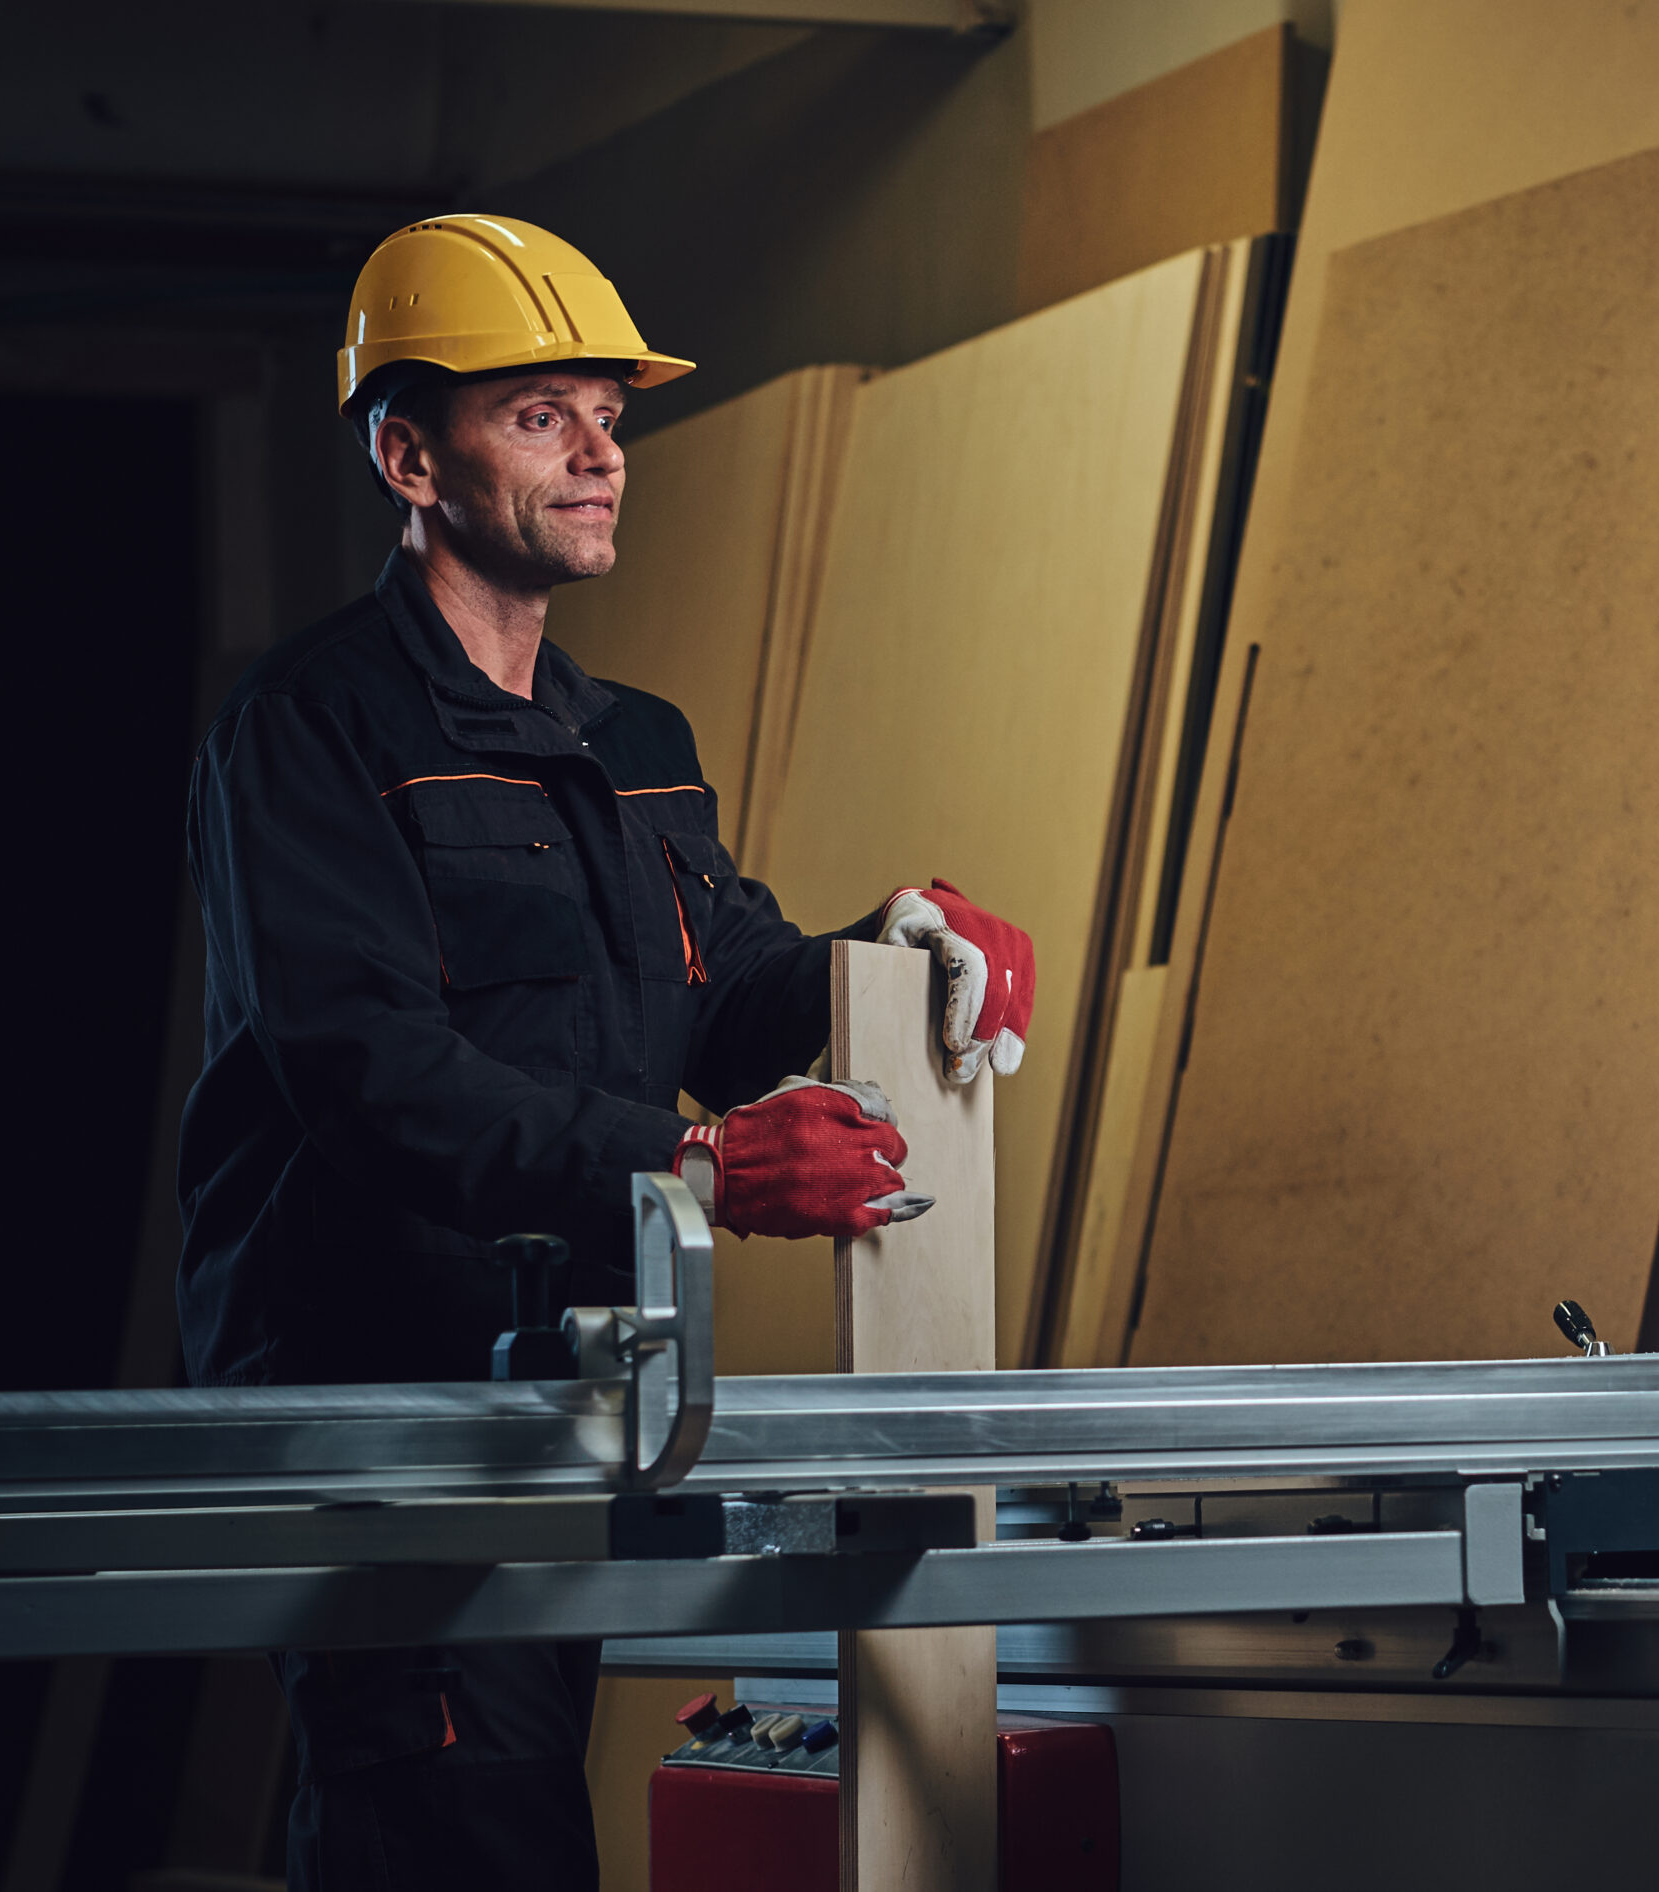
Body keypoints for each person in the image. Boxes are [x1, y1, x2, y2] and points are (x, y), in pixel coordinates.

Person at [176, 213, 1033, 1891]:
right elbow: (367, 1074)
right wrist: (698, 1165)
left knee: (509, 1818)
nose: (600, 456)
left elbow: (724, 994)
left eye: (610, 415)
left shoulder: (631, 742)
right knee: (455, 1833)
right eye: (539, 416)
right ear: (409, 454)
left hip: (581, 1395)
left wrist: (888, 941)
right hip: (386, 1416)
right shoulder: (307, 731)